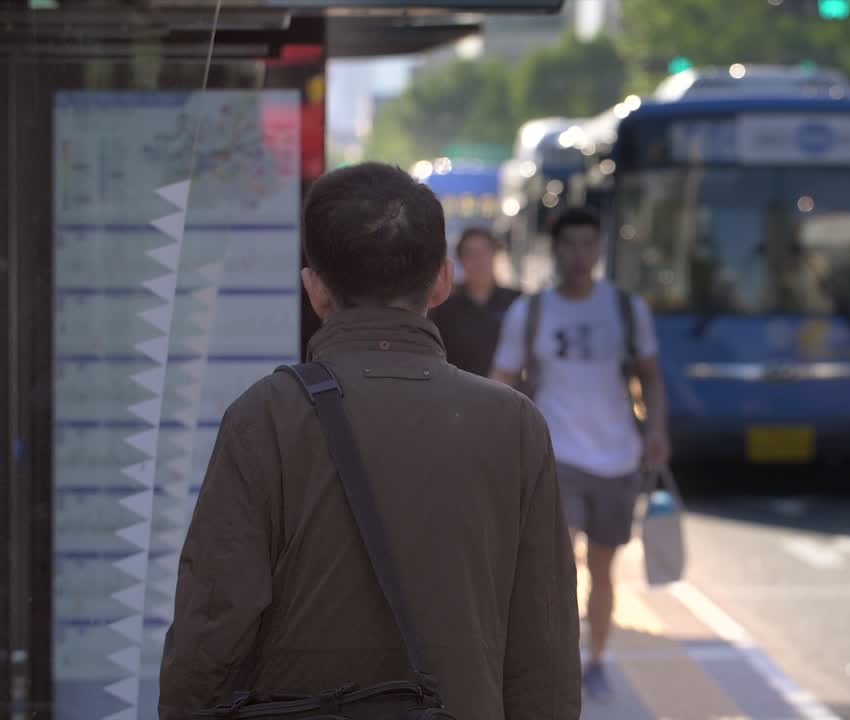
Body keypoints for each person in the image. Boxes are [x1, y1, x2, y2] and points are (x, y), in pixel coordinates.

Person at [158, 162, 580, 719]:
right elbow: (543, 651)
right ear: (442, 280)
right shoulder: (514, 424)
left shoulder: (265, 416)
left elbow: (211, 624)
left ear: (314, 288)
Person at [490, 207, 671, 701]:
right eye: (569, 244)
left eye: (589, 245)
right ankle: (556, 661)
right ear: (556, 249)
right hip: (556, 456)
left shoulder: (627, 309)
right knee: (557, 565)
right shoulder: (531, 312)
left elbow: (651, 377)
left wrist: (657, 430)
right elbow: (500, 382)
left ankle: (596, 659)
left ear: (601, 249)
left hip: (617, 459)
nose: (579, 255)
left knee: (604, 568)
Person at [430, 226, 522, 377]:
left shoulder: (517, 302)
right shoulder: (445, 308)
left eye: (484, 252)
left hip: (508, 394)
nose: (478, 260)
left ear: (494, 254)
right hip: (460, 391)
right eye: (470, 253)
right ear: (461, 259)